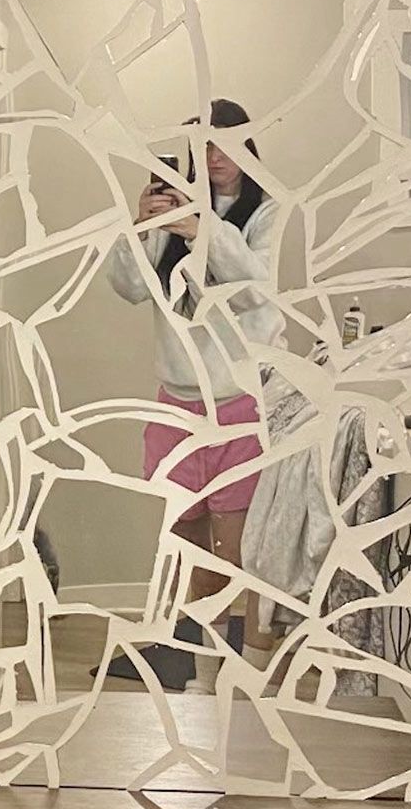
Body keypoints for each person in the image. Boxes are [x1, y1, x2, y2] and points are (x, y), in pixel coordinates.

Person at [105, 98, 281, 680]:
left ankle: (228, 653)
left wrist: (203, 229)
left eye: (226, 143)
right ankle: (180, 649)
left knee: (236, 537)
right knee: (181, 533)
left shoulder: (267, 211)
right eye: (203, 145)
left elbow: (258, 290)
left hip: (239, 398)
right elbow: (128, 287)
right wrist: (142, 224)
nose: (215, 157)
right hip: (176, 398)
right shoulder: (174, 207)